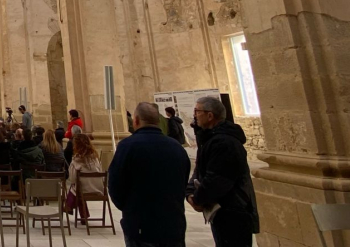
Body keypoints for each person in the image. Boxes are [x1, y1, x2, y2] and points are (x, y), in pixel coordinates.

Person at [108, 103, 191, 247]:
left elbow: (115, 184)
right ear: (158, 121)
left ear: (136, 120)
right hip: (173, 223)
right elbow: (183, 180)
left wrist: (129, 208)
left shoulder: (128, 146)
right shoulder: (176, 147)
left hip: (141, 223)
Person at [186, 96, 259, 246]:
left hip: (233, 211)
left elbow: (218, 179)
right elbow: (200, 169)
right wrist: (190, 192)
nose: (194, 116)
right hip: (222, 211)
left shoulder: (225, 143)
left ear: (210, 115)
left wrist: (198, 199)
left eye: (197, 111)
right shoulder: (211, 139)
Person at [67, 133, 104, 219]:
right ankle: (82, 214)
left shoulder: (76, 160)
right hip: (99, 189)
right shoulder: (95, 158)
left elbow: (72, 179)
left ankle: (67, 206)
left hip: (84, 191)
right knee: (78, 187)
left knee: (76, 187)